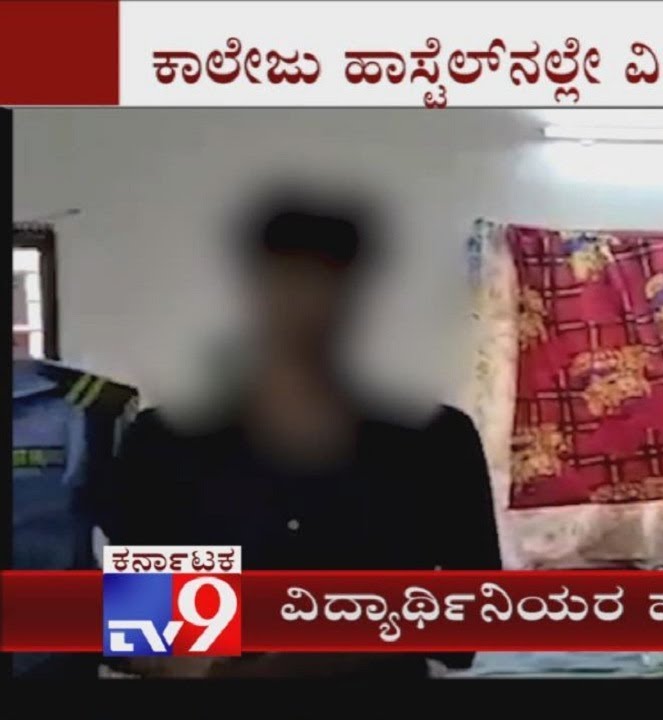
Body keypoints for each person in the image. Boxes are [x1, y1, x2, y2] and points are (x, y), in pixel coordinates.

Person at [96, 189, 501, 678]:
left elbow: (472, 619)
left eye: (325, 285)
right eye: (286, 282)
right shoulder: (169, 446)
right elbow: (142, 634)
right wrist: (229, 670)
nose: (305, 307)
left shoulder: (434, 445)